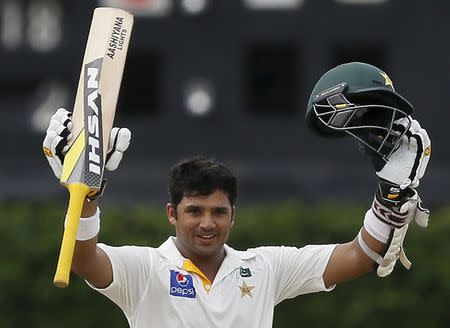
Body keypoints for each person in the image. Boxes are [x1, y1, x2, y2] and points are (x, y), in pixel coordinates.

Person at [42, 62, 431, 327]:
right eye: (194, 210)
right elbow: (83, 258)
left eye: (218, 211)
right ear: (171, 214)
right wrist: (87, 196)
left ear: (233, 215)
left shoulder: (264, 269)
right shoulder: (145, 271)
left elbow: (360, 255)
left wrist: (391, 198)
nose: (207, 223)